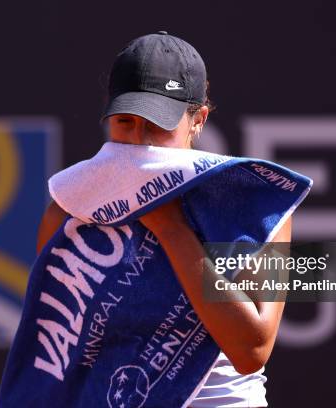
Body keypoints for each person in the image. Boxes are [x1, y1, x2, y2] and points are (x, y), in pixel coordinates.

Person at [36, 31, 290, 408]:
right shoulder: (70, 208)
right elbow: (61, 356)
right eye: (125, 122)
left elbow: (251, 349)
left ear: (198, 120)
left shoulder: (254, 205)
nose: (139, 141)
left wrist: (171, 228)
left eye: (157, 125)